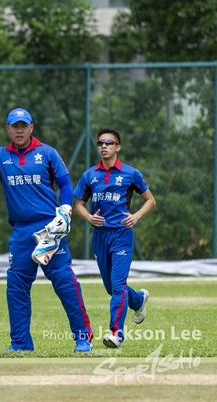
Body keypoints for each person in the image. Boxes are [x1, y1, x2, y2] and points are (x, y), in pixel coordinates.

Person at [0, 108, 93, 352]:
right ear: (7, 129)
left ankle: (83, 337)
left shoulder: (47, 153)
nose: (19, 130)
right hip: (21, 232)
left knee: (63, 279)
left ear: (31, 128)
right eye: (14, 126)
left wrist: (65, 208)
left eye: (23, 126)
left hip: (49, 228)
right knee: (16, 285)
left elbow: (64, 183)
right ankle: (20, 343)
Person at [74, 128, 156, 349]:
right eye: (100, 143)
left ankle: (116, 334)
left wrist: (136, 216)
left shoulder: (131, 173)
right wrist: (90, 217)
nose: (103, 146)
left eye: (108, 143)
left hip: (121, 235)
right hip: (100, 237)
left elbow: (150, 200)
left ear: (117, 147)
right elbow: (78, 205)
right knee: (112, 288)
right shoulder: (89, 175)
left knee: (118, 286)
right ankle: (138, 300)